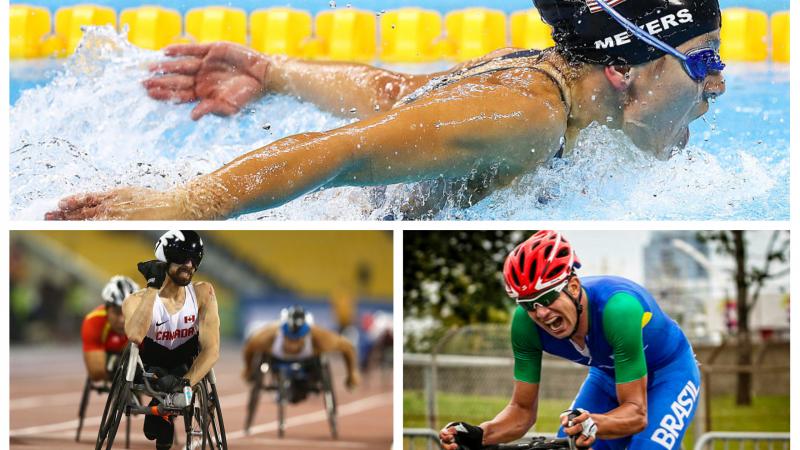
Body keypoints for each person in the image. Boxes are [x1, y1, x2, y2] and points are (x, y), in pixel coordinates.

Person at [45, 0, 724, 220]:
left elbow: (402, 98)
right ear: (622, 68)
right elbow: (346, 152)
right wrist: (185, 206)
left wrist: (275, 73)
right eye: (703, 61)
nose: (717, 84)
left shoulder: (542, 80)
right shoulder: (527, 116)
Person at [439, 230, 701, 450]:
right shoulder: (525, 324)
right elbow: (521, 411)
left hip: (669, 374)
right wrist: (481, 435)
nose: (540, 313)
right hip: (608, 376)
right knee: (570, 444)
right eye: (529, 304)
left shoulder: (618, 310)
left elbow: (636, 414)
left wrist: (594, 423)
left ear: (573, 287)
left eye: (547, 298)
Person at [123, 230, 221, 450]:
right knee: (160, 376)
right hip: (149, 369)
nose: (189, 264)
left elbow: (211, 351)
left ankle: (162, 412)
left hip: (183, 369)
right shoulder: (134, 300)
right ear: (164, 258)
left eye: (194, 259)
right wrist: (152, 288)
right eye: (181, 257)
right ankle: (162, 410)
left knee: (177, 375)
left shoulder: (203, 293)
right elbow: (135, 336)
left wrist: (185, 382)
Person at [242, 305, 360, 396]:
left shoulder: (319, 337)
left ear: (306, 335)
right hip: (277, 363)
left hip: (308, 364)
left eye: (298, 339)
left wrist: (351, 374)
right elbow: (249, 347)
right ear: (282, 333)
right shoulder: (268, 336)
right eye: (290, 339)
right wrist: (248, 369)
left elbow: (348, 347)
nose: (293, 345)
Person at [81, 275, 139, 381]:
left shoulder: (148, 320)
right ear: (107, 310)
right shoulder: (94, 320)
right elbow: (96, 374)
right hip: (107, 355)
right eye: (117, 312)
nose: (122, 320)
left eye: (127, 311)